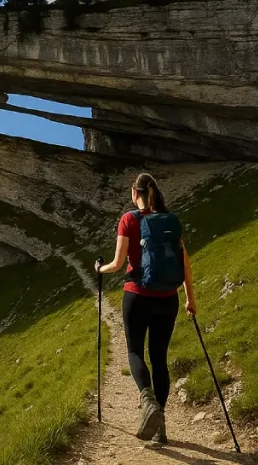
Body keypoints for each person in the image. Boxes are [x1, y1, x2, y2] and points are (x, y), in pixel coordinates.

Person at [94, 173, 197, 444]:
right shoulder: (170, 221)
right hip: (168, 298)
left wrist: (99, 269)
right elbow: (184, 264)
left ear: (134, 193)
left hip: (137, 295)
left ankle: (147, 402)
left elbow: (117, 264)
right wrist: (190, 299)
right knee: (159, 358)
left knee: (134, 351)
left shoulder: (129, 220)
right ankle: (160, 422)